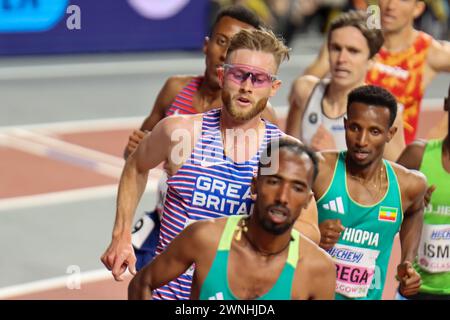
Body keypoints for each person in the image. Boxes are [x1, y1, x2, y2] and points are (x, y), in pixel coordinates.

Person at [101, 28, 321, 300]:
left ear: (274, 87)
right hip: (168, 292)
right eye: (239, 74)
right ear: (222, 75)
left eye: (259, 78)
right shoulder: (180, 132)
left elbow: (310, 232)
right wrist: (121, 235)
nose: (247, 86)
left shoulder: (281, 154)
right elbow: (136, 165)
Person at [125, 5, 279, 271]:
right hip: (166, 221)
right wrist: (133, 150)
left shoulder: (258, 113)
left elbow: (275, 182)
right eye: (221, 42)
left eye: (234, 46)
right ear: (206, 45)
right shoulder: (176, 89)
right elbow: (137, 157)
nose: (224, 53)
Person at [128, 138, 336, 300]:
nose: (282, 197)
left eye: (297, 188)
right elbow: (142, 283)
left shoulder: (317, 269)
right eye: (273, 181)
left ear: (308, 200)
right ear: (255, 186)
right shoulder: (205, 238)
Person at [313, 85, 427, 299]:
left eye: (374, 131)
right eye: (355, 128)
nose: (362, 141)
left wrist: (407, 261)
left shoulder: (409, 185)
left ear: (390, 134)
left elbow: (416, 209)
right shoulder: (318, 170)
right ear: (345, 125)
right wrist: (312, 234)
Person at [301, 0, 450, 145]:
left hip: (395, 158)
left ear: (417, 8)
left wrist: (439, 132)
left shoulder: (427, 52)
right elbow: (305, 92)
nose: (391, 5)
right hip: (344, 147)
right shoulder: (352, 40)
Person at [286, 10, 405, 161]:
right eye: (336, 48)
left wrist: (335, 157)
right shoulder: (304, 91)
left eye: (353, 51)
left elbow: (399, 178)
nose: (342, 59)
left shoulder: (385, 112)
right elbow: (288, 155)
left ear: (371, 61)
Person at [395, 83, 450, 300]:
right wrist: (410, 202)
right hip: (414, 289)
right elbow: (382, 203)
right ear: (446, 104)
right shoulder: (418, 155)